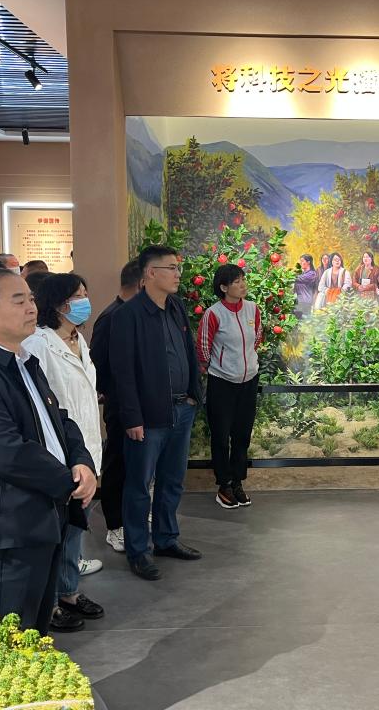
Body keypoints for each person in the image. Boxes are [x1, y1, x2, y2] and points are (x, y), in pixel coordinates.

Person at [0, 269, 96, 635]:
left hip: (40, 519)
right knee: (9, 640)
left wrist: (82, 462)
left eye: (31, 298)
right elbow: (6, 452)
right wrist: (69, 482)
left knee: (34, 632)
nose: (31, 307)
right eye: (18, 300)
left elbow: (59, 420)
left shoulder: (22, 361)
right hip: (7, 532)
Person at [110, 245, 203, 581]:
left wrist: (194, 395)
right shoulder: (128, 315)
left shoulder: (176, 307)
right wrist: (132, 417)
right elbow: (123, 372)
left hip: (181, 408)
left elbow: (189, 353)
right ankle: (138, 550)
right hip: (148, 417)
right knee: (139, 485)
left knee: (172, 480)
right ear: (150, 273)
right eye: (171, 268)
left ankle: (166, 538)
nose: (178, 274)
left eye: (178, 267)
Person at [23, 273, 105, 633]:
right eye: (77, 296)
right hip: (60, 451)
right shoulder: (39, 344)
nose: (84, 301)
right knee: (56, 533)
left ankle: (69, 591)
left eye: (85, 293)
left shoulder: (78, 339)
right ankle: (50, 603)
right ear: (57, 303)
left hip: (86, 447)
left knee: (75, 528)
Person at [196, 264, 262, 510]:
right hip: (222, 382)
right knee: (221, 436)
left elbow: (257, 338)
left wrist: (246, 364)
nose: (243, 285)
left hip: (248, 381)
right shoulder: (213, 314)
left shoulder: (252, 309)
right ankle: (223, 484)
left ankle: (237, 482)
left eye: (243, 279)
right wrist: (222, 365)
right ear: (223, 287)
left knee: (242, 435)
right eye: (236, 282)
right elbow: (203, 349)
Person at [90, 259, 142, 554]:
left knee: (135, 463)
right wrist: (111, 393)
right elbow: (99, 363)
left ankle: (131, 516)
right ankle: (115, 525)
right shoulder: (112, 317)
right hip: (120, 403)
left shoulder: (137, 315)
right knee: (117, 462)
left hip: (138, 402)